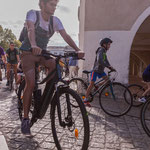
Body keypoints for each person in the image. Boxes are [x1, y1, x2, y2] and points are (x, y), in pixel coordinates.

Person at [19, 0, 84, 136]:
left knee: (55, 65)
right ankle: (25, 119)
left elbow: (65, 35)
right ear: (42, 4)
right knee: (30, 84)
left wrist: (77, 49)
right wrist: (33, 44)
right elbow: (30, 29)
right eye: (51, 4)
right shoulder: (33, 14)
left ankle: (45, 97)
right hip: (28, 53)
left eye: (55, 5)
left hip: (42, 53)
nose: (54, 7)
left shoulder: (55, 21)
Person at [83, 38, 116, 106]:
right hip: (95, 70)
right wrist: (108, 66)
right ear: (104, 44)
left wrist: (110, 67)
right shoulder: (101, 50)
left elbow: (106, 60)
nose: (109, 46)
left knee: (108, 80)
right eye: (109, 44)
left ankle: (97, 85)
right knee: (91, 84)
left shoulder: (104, 52)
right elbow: (100, 60)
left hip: (100, 71)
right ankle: (85, 99)